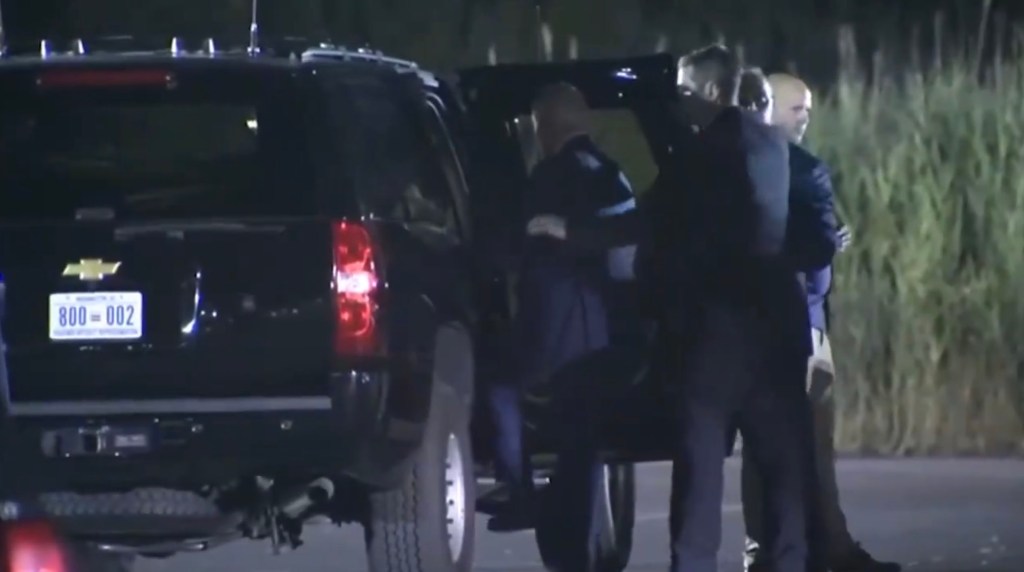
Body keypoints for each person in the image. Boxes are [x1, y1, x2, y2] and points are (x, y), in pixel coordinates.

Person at [528, 46, 836, 572]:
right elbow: (819, 241)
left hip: (716, 331)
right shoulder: (785, 153)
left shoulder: (696, 157)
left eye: (686, 94)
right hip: (777, 328)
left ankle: (693, 564)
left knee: (700, 468)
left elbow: (645, 225)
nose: (681, 104)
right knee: (782, 465)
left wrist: (570, 231)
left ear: (711, 93)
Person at [740, 72, 900, 572]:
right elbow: (807, 250)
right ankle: (820, 546)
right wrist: (824, 243)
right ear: (768, 107)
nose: (805, 118)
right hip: (799, 328)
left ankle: (774, 547)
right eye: (797, 109)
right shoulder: (801, 169)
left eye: (808, 109)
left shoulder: (743, 165)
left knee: (777, 446)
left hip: (784, 326)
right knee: (806, 441)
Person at [485, 81, 635, 564]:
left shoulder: (550, 177)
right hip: (609, 332)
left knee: (498, 383)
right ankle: (572, 551)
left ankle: (517, 485)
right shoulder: (615, 175)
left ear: (545, 127)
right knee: (581, 449)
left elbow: (519, 250)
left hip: (558, 331)